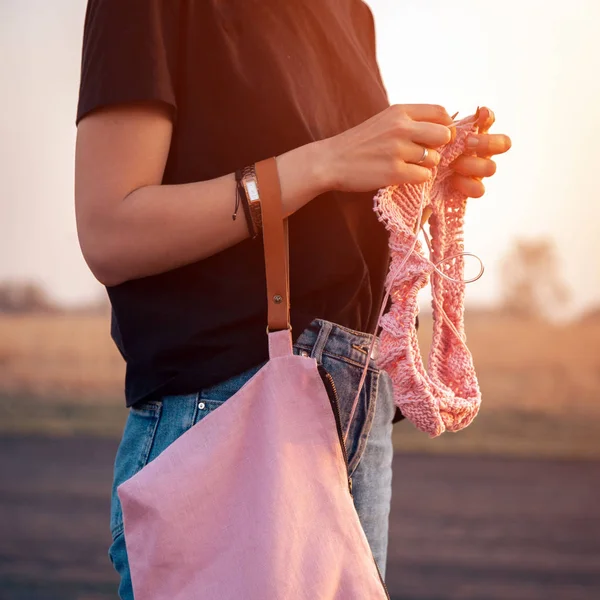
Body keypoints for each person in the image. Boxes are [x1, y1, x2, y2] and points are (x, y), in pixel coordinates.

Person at [74, 1, 511, 598]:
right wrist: (326, 161)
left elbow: (324, 219)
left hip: (357, 408)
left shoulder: (349, 12)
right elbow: (110, 230)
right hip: (230, 403)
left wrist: (412, 180)